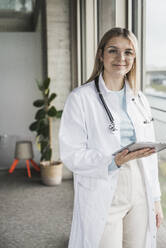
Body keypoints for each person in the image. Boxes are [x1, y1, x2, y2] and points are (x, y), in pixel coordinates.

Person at [59, 27, 163, 248]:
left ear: (134, 58)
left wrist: (155, 200)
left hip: (139, 185)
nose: (121, 58)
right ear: (101, 54)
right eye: (113, 50)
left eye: (128, 52)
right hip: (104, 186)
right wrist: (113, 161)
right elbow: (71, 154)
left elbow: (151, 159)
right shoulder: (80, 98)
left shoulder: (140, 98)